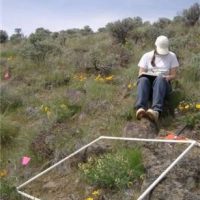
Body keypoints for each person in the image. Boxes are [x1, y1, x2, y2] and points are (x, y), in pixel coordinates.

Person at [135, 35, 179, 122]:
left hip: (163, 84)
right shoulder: (147, 56)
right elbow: (140, 73)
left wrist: (167, 77)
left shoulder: (172, 56)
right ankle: (140, 108)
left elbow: (174, 75)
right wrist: (147, 74)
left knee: (159, 78)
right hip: (148, 85)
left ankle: (156, 111)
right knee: (143, 79)